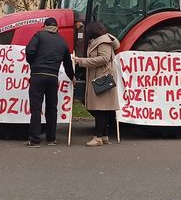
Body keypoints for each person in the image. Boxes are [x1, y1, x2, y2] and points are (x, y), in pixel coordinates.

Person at [25, 17, 75, 147]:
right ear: (56, 27)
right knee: (52, 108)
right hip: (53, 77)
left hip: (37, 76)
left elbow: (29, 51)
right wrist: (72, 77)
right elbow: (67, 63)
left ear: (44, 26)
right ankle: (51, 139)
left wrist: (33, 64)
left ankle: (35, 140)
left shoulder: (39, 35)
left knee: (36, 109)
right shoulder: (62, 41)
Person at [74, 21, 120, 146]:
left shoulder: (103, 41)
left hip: (100, 79)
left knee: (100, 109)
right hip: (100, 78)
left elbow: (104, 58)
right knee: (103, 109)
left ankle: (98, 137)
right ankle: (104, 136)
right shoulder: (102, 40)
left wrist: (82, 61)